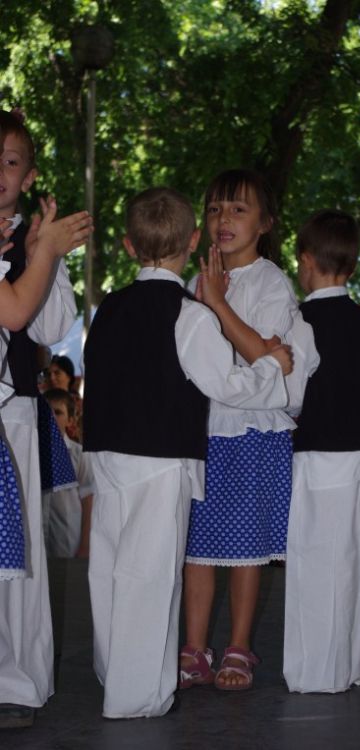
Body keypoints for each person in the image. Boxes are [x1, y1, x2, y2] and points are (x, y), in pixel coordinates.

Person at [82, 186, 292, 720]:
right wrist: (273, 367)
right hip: (163, 457)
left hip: (108, 455)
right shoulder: (190, 315)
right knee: (150, 574)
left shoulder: (108, 309)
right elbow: (228, 385)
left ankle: (113, 669)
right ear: (195, 240)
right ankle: (139, 693)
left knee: (108, 567)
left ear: (129, 246)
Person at [180, 169, 298, 692]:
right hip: (204, 430)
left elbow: (266, 357)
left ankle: (239, 645)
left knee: (247, 548)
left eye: (238, 209)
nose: (223, 219)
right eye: (214, 209)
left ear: (265, 223)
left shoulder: (271, 281)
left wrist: (219, 304)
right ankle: (194, 647)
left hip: (253, 432)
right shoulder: (194, 282)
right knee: (198, 547)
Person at [0, 109, 92, 729]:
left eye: (10, 162)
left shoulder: (34, 241)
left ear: (29, 176)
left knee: (20, 551)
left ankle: (17, 681)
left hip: (13, 415)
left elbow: (50, 325)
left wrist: (45, 256)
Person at [281, 209, 360, 693]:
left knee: (315, 560)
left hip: (321, 452)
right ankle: (347, 667)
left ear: (306, 261)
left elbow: (291, 395)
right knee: (353, 561)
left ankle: (316, 673)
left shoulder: (302, 322)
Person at [42, 388, 93, 558]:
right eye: (46, 412)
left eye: (58, 413)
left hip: (67, 543)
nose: (51, 417)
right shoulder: (31, 454)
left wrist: (85, 545)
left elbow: (88, 501)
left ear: (70, 420)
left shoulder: (79, 455)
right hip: (37, 543)